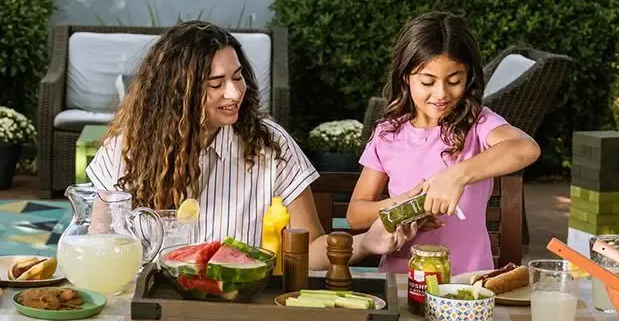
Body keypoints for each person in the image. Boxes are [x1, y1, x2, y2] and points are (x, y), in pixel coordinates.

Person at [84, 21, 419, 271]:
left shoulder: (270, 145)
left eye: (238, 76)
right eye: (216, 83)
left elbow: (311, 248)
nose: (234, 93)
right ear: (175, 93)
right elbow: (99, 240)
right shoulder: (126, 147)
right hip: (150, 307)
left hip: (241, 311)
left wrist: (366, 243)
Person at [345, 11, 541, 275]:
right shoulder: (387, 134)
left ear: (468, 76)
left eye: (454, 81)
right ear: (406, 77)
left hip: (468, 283)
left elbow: (526, 148)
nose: (441, 94)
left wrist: (454, 178)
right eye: (427, 82)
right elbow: (356, 214)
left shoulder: (478, 124)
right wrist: (407, 207)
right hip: (401, 281)